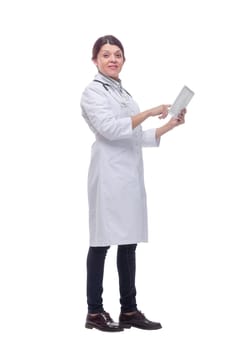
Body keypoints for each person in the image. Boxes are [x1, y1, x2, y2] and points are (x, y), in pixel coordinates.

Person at [80, 35, 186, 332]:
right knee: (101, 242)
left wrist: (169, 125)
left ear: (123, 60)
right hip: (108, 176)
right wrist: (151, 111)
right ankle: (94, 311)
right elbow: (111, 129)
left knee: (128, 243)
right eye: (106, 55)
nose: (113, 59)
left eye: (117, 54)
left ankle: (128, 310)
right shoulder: (92, 93)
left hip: (128, 177)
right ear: (95, 60)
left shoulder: (125, 95)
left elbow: (135, 136)